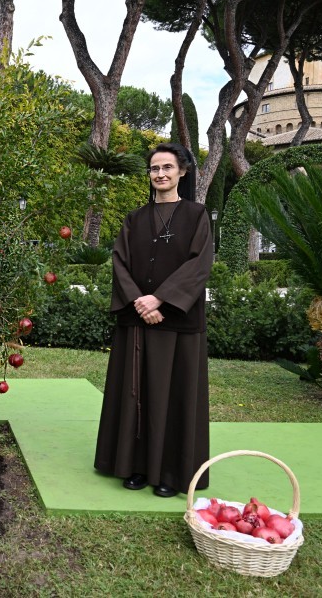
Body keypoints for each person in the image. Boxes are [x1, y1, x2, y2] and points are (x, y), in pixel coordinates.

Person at [93, 142, 213, 498]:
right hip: (137, 319)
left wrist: (160, 298)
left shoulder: (197, 215)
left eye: (166, 167)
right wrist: (139, 302)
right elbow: (120, 262)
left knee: (173, 395)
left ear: (182, 172)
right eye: (154, 168)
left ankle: (170, 474)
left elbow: (199, 265)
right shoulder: (135, 218)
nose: (160, 174)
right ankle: (134, 467)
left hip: (179, 322)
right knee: (136, 394)